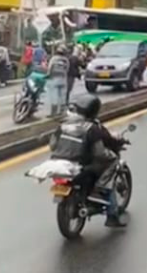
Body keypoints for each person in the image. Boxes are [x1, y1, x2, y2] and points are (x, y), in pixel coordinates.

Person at [47, 93, 129, 227]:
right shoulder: (93, 128)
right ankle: (111, 213)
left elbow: (52, 145)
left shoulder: (63, 125)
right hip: (83, 165)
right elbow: (100, 152)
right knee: (112, 162)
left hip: (60, 163)